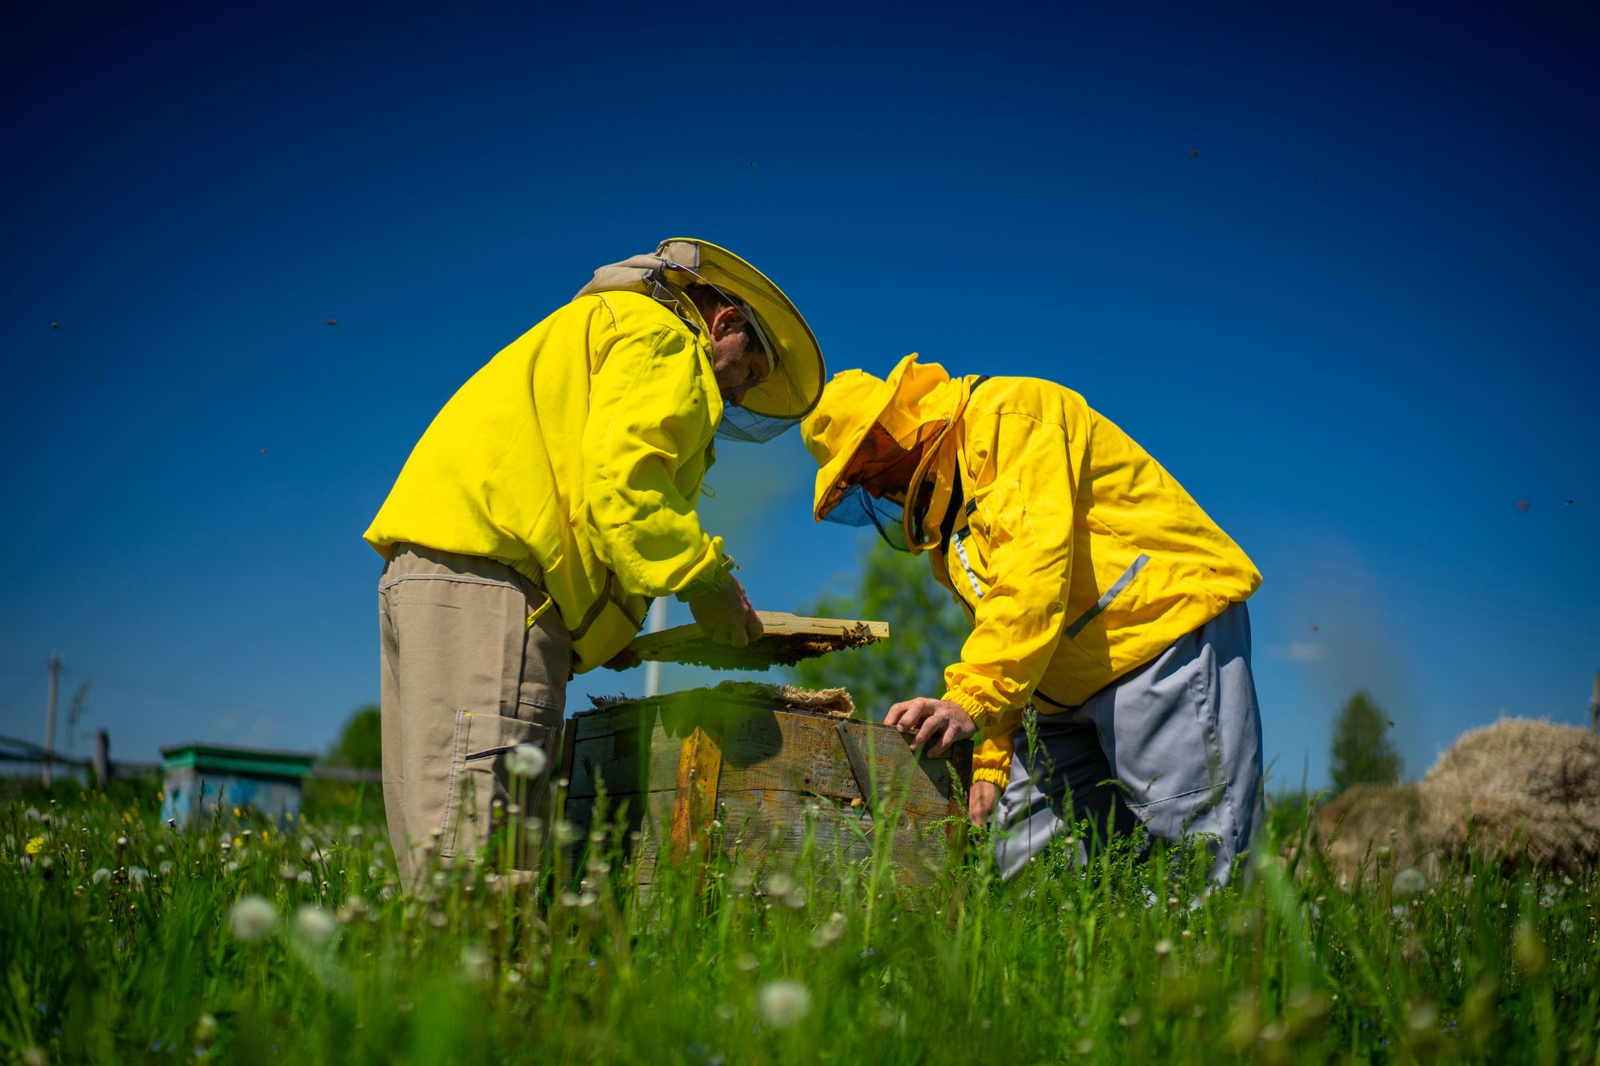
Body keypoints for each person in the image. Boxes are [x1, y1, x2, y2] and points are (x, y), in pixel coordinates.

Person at [364, 239, 823, 884]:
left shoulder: (597, 329)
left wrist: (604, 627)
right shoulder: (663, 338)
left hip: (430, 579)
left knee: (437, 848)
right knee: (482, 868)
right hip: (496, 590)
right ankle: (486, 989)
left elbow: (579, 491)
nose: (737, 395)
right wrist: (706, 580)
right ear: (722, 323)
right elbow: (627, 487)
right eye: (743, 373)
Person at [802, 355, 1262, 881]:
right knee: (1030, 875)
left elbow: (1035, 567)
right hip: (1053, 699)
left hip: (1159, 640)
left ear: (891, 431)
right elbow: (1004, 627)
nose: (877, 493)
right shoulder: (949, 539)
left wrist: (972, 697)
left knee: (1200, 864)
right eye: (855, 485)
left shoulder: (1012, 417)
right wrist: (991, 760)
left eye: (865, 470)